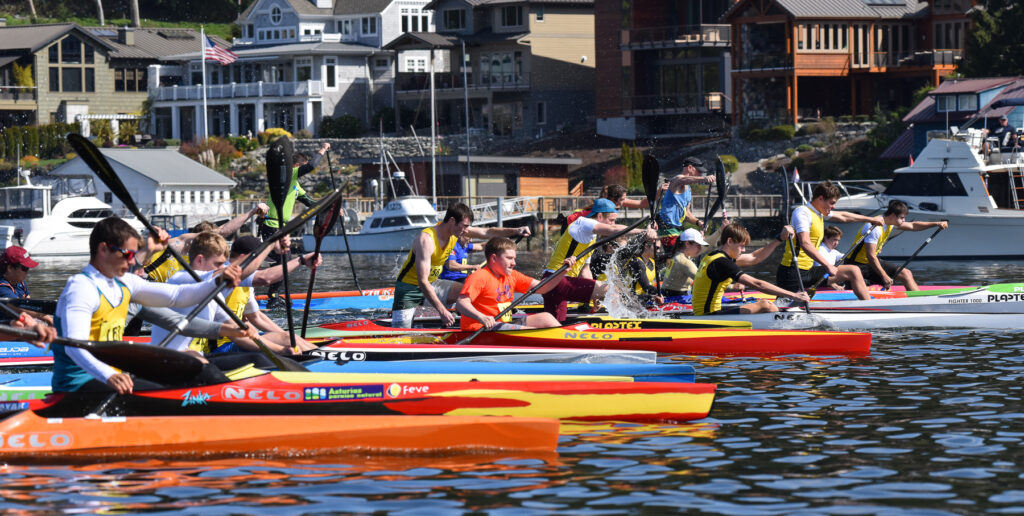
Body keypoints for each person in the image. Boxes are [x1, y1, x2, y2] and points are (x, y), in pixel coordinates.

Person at [53, 217, 244, 395]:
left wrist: (218, 281)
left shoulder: (125, 282)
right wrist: (108, 375)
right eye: (127, 253)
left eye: (133, 254)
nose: (131, 260)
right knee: (179, 394)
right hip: (78, 385)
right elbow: (74, 346)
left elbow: (178, 296)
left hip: (113, 380)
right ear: (103, 249)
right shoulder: (81, 288)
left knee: (194, 379)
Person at [153, 232, 317, 356]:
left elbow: (240, 336)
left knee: (287, 339)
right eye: (218, 264)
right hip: (173, 359)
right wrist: (295, 257)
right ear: (199, 260)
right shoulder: (183, 279)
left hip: (198, 358)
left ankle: (324, 357)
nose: (223, 268)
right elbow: (264, 278)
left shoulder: (213, 297)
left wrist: (283, 350)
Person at [393, 203, 530, 328]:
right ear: (452, 221)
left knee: (467, 295)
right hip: (408, 289)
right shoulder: (426, 240)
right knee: (402, 333)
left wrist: (516, 230)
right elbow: (422, 281)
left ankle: (480, 324)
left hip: (433, 284)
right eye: (464, 226)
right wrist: (442, 311)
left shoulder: (455, 231)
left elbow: (487, 232)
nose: (466, 231)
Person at [541, 198, 657, 322]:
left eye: (614, 221)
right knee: (613, 291)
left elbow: (585, 271)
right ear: (600, 216)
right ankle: (628, 324)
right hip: (558, 279)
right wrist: (644, 232)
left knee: (555, 324)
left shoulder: (589, 237)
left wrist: (594, 295)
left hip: (552, 281)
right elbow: (613, 230)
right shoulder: (582, 222)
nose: (613, 223)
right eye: (611, 220)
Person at [777, 181, 884, 300]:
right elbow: (805, 243)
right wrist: (828, 265)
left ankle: (868, 306)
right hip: (792, 271)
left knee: (853, 270)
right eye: (832, 203)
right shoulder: (803, 212)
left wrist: (871, 219)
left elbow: (844, 216)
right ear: (820, 199)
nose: (833, 206)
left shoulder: (819, 213)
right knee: (783, 307)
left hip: (808, 270)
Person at [260, 142, 330, 307]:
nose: (303, 172)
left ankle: (274, 295)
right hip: (272, 225)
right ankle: (272, 297)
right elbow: (312, 165)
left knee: (284, 260)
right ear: (296, 165)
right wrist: (323, 149)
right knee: (284, 261)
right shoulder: (287, 174)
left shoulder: (295, 185)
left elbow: (311, 203)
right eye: (302, 168)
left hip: (281, 227)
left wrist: (331, 208)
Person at [693, 223, 810, 315]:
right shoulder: (721, 262)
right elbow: (757, 284)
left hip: (708, 312)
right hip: (709, 316)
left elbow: (754, 258)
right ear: (730, 241)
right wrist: (794, 295)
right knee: (765, 305)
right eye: (742, 246)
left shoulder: (715, 256)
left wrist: (779, 239)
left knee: (760, 303)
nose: (743, 250)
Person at [456, 237, 568, 331]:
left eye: (514, 258)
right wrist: (481, 317)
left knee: (546, 318)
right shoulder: (479, 276)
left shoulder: (512, 275)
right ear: (494, 258)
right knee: (529, 332)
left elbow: (543, 287)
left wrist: (562, 271)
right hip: (481, 328)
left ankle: (567, 341)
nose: (514, 263)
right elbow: (461, 303)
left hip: (503, 324)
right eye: (509, 258)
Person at [144, 203, 269, 283]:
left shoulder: (203, 264)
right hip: (143, 286)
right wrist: (252, 212)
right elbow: (222, 232)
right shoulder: (178, 245)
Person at [849, 200, 948, 290]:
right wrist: (884, 276)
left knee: (906, 273)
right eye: (902, 217)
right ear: (892, 215)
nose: (904, 220)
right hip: (857, 264)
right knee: (887, 277)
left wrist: (937, 223)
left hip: (869, 262)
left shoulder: (890, 223)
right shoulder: (875, 228)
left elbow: (913, 225)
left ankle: (917, 300)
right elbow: (870, 256)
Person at [658, 157, 716, 231]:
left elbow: (687, 214)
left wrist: (698, 223)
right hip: (665, 225)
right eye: (699, 171)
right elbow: (682, 180)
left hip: (677, 227)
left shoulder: (689, 189)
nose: (701, 174)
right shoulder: (677, 180)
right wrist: (704, 178)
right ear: (690, 167)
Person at [661, 229, 710, 298]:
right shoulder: (683, 261)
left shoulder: (677, 255)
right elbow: (704, 280)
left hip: (667, 295)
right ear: (687, 244)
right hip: (674, 299)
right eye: (698, 245)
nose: (700, 249)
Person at [624, 239, 664, 306]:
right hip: (633, 298)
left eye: (659, 248)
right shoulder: (637, 262)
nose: (658, 251)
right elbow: (646, 287)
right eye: (656, 248)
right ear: (646, 246)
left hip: (645, 297)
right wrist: (659, 293)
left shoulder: (652, 261)